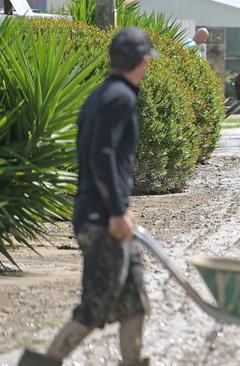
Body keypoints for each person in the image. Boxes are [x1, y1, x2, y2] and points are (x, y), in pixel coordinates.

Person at [18, 28, 154, 366]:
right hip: (102, 220)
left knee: (135, 302)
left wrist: (121, 208)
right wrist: (118, 210)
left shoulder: (100, 95)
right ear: (142, 61)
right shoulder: (121, 98)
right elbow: (101, 156)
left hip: (106, 215)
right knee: (94, 308)